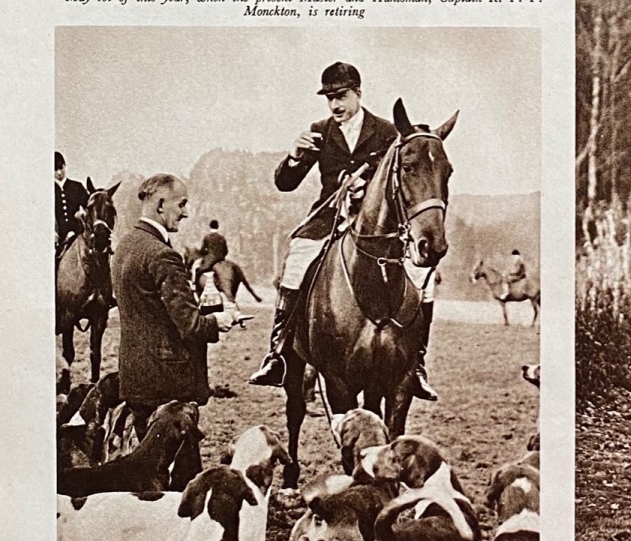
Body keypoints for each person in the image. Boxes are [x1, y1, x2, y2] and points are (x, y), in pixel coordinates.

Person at [249, 61, 439, 400]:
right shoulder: (320, 131)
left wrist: (364, 187)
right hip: (328, 219)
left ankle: (418, 363)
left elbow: (397, 178)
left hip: (378, 226)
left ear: (358, 94)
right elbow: (286, 184)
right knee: (296, 263)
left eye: (341, 96)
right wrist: (293, 157)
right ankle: (277, 352)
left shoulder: (386, 132)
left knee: (422, 280)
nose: (335, 105)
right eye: (330, 98)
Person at [112, 174, 237, 435]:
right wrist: (220, 321)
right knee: (183, 472)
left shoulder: (126, 245)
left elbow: (153, 311)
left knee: (148, 468)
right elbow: (191, 326)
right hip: (168, 386)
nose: (186, 213)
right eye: (181, 204)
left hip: (136, 379)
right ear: (160, 205)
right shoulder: (162, 254)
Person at [54, 152, 89, 258]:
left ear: (65, 166)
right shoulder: (47, 189)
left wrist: (82, 213)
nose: (59, 172)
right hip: (57, 238)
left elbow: (89, 207)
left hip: (77, 234)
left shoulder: (77, 187)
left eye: (61, 168)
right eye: (55, 169)